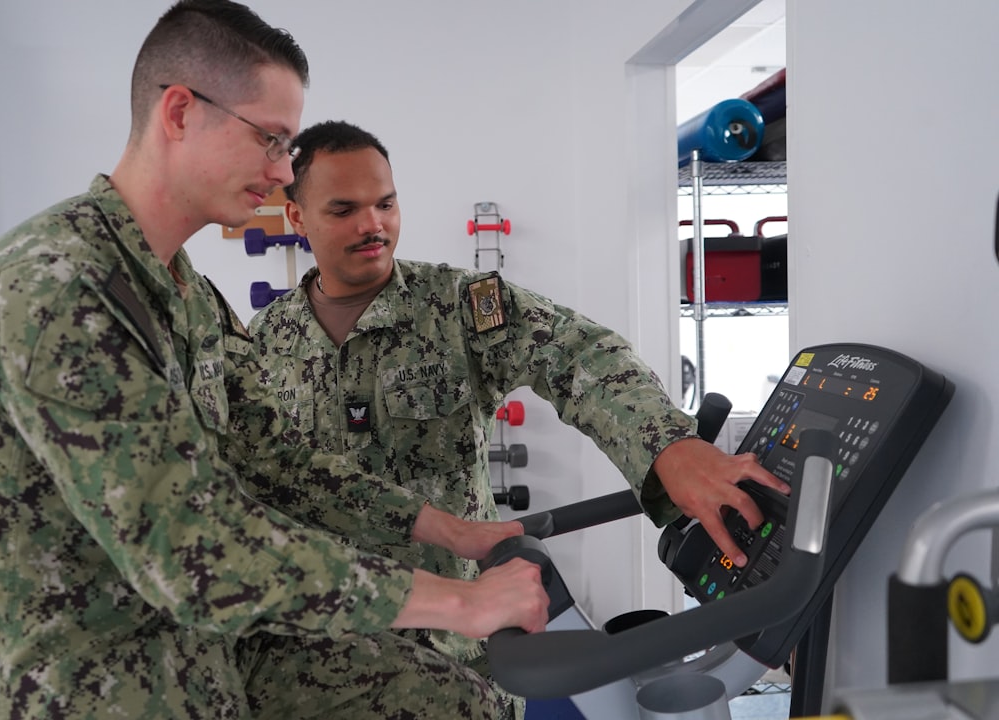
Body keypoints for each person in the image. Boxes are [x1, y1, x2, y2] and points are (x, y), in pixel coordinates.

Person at [0, 4, 550, 719]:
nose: (284, 170)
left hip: (202, 649)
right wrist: (456, 602)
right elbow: (188, 546)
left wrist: (442, 527)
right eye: (271, 140)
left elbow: (271, 460)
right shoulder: (55, 287)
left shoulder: (184, 291)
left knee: (445, 697)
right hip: (86, 686)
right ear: (179, 113)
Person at [245, 119, 791, 715]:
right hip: (318, 660)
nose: (373, 224)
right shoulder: (268, 339)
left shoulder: (455, 306)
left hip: (456, 654)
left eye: (386, 203)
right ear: (296, 216)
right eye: (344, 208)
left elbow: (577, 353)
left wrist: (668, 446)